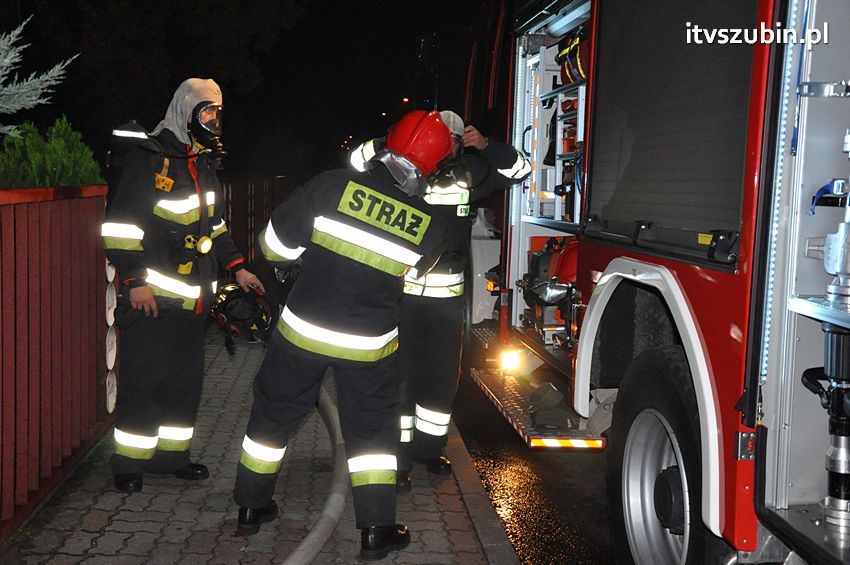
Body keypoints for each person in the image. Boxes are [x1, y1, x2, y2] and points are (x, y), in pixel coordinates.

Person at [232, 110, 452, 561]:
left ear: (386, 145)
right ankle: (375, 531)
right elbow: (412, 278)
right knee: (372, 436)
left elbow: (273, 247)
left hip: (302, 332)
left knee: (273, 417)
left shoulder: (331, 185)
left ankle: (251, 509)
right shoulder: (430, 222)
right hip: (369, 344)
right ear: (432, 167)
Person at [101, 78, 265, 494]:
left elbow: (216, 225)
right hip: (152, 297)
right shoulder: (149, 158)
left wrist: (238, 267)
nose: (213, 120)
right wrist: (135, 281)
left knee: (184, 383)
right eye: (205, 111)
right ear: (185, 111)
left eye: (216, 113)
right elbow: (121, 227)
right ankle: (129, 464)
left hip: (194, 301)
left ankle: (172, 458)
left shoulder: (204, 163)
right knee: (145, 380)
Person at [352, 110, 531, 489]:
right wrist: (394, 141)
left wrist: (486, 146)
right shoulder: (398, 169)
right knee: (399, 382)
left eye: (447, 139)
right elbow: (353, 162)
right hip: (401, 301)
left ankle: (428, 451)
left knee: (440, 383)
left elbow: (520, 170)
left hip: (446, 308)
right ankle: (397, 463)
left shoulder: (468, 172)